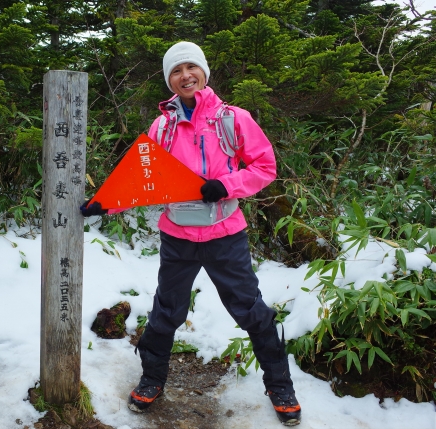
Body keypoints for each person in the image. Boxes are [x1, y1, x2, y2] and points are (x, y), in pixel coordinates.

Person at [81, 41, 301, 426]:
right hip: (178, 236)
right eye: (176, 71)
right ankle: (151, 379)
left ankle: (280, 386)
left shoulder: (233, 119)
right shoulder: (162, 126)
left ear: (203, 72)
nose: (185, 76)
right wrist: (105, 203)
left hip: (225, 233)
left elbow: (265, 167)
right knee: (167, 311)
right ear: (169, 80)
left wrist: (227, 184)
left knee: (252, 312)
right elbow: (145, 182)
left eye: (191, 68)